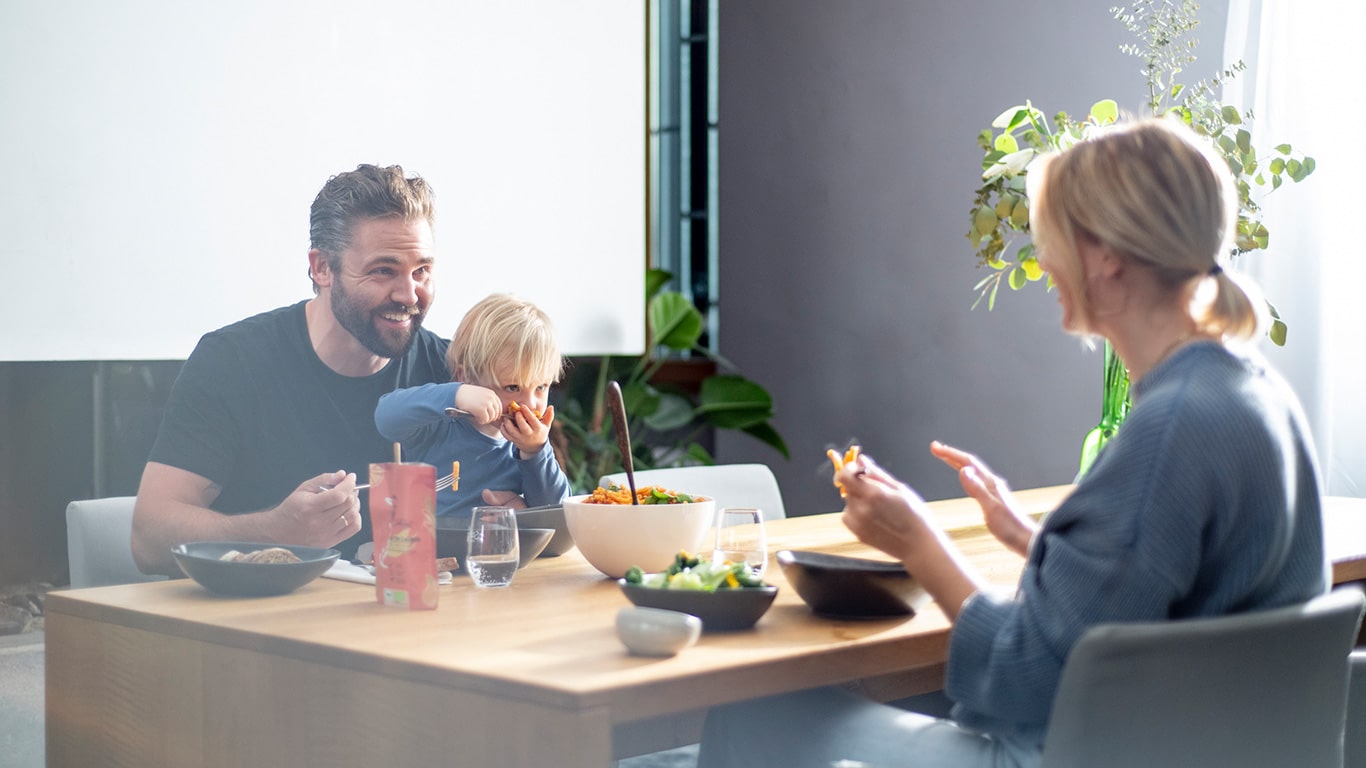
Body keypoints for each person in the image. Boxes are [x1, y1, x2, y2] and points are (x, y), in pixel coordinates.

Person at [696, 117, 1329, 767]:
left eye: (1052, 237)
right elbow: (1147, 604)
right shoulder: (1253, 396)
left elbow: (1030, 673)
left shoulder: (1168, 431)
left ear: (1108, 256)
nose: (1042, 260)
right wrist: (1034, 540)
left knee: (751, 715)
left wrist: (917, 540)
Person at [131, 164, 450, 574]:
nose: (409, 294)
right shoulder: (232, 361)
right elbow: (148, 538)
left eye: (422, 270)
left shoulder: (449, 371)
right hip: (259, 626)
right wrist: (277, 529)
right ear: (321, 268)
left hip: (410, 624)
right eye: (383, 270)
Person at [374, 293, 570, 519]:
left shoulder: (526, 452)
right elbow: (385, 416)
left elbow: (557, 512)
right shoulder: (440, 425)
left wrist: (535, 451)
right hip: (432, 550)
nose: (530, 404)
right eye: (512, 387)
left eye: (541, 387)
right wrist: (455, 393)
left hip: (498, 553)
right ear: (466, 376)